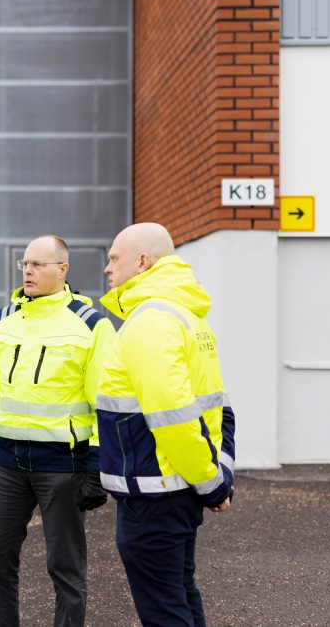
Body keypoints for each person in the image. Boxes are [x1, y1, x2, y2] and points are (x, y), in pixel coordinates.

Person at [0, 235, 116, 627]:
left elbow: (105, 400)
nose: (28, 271)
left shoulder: (91, 325)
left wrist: (98, 465)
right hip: (6, 460)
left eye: (38, 264)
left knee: (65, 568)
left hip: (63, 463)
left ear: (63, 270)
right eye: (25, 264)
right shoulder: (2, 321)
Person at [97, 223, 235, 626]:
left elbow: (172, 419)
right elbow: (216, 409)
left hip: (155, 494)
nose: (108, 269)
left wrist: (211, 484)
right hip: (176, 489)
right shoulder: (186, 316)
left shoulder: (150, 321)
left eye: (114, 258)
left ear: (142, 262)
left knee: (164, 611)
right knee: (179, 595)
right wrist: (212, 480)